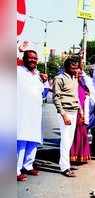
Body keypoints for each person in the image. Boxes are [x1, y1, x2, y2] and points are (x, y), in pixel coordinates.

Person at [17, 50, 47, 181]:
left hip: (35, 112)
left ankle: (28, 165)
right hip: (20, 111)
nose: (33, 60)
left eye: (35, 58)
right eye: (30, 58)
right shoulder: (17, 71)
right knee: (20, 140)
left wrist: (45, 81)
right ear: (23, 59)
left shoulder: (38, 75)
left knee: (33, 139)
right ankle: (16, 170)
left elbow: (44, 94)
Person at [53, 57, 80, 177]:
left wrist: (81, 112)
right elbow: (56, 98)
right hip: (66, 112)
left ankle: (65, 163)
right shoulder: (59, 78)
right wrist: (63, 114)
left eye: (76, 67)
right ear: (66, 67)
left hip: (74, 111)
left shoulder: (74, 78)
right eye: (73, 67)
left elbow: (76, 96)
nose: (75, 69)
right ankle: (64, 167)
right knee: (65, 140)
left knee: (69, 141)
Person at [69, 67, 91, 165]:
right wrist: (81, 112)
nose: (78, 75)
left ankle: (81, 155)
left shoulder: (83, 84)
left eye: (80, 73)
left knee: (82, 134)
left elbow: (86, 98)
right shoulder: (71, 84)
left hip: (83, 112)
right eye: (76, 73)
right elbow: (75, 98)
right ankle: (73, 155)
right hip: (75, 111)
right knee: (74, 134)